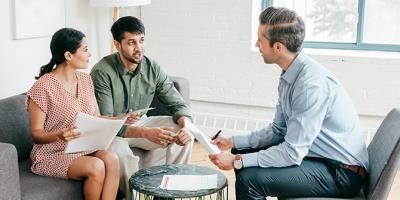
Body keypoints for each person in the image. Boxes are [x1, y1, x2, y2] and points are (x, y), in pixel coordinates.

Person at [209, 7, 369, 200]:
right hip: (317, 157)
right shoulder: (291, 74)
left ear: (278, 47)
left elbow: (292, 152)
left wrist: (237, 161)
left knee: (248, 179)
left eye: (261, 40)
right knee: (242, 152)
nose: (256, 44)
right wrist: (233, 143)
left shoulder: (310, 87)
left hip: (341, 173)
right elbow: (278, 131)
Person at [90, 16, 193, 199]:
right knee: (119, 151)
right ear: (117, 44)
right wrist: (145, 133)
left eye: (141, 41)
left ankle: (173, 192)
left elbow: (177, 103)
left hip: (142, 123)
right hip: (112, 133)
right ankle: (134, 196)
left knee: (185, 134)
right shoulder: (102, 72)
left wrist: (186, 125)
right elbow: (106, 124)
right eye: (131, 42)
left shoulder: (152, 67)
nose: (139, 48)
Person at [27, 28, 120, 200]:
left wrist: (122, 118)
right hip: (50, 154)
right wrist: (59, 136)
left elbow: (96, 118)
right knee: (96, 166)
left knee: (112, 159)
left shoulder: (86, 80)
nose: (90, 54)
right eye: (85, 50)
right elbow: (36, 134)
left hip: (81, 147)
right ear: (68, 55)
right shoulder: (43, 87)